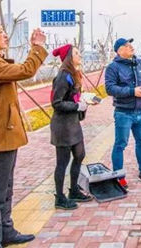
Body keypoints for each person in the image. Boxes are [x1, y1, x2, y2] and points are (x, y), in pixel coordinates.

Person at [0, 18, 47, 248]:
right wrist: (38, 48)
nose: (5, 35)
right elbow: (26, 70)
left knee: (5, 191)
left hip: (4, 137)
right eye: (1, 31)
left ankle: (5, 232)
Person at [104, 38, 141, 189]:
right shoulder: (113, 67)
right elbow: (109, 89)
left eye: (130, 45)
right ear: (119, 50)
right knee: (120, 144)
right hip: (123, 112)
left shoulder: (140, 63)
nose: (130, 47)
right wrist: (132, 91)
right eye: (126, 45)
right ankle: (118, 176)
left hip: (140, 111)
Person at [50, 44, 93, 210]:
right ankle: (59, 197)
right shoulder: (63, 76)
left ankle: (74, 189)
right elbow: (56, 103)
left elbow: (73, 98)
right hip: (62, 126)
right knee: (62, 162)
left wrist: (83, 102)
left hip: (72, 123)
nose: (79, 55)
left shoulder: (74, 75)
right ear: (68, 57)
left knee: (80, 155)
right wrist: (77, 107)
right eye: (76, 53)